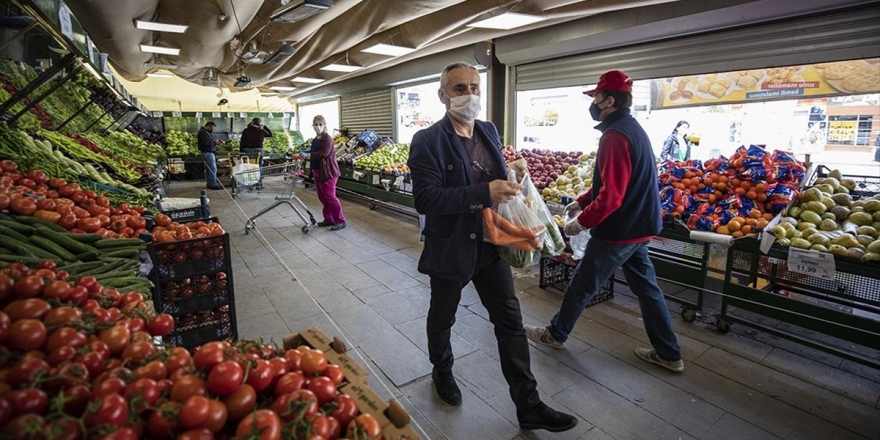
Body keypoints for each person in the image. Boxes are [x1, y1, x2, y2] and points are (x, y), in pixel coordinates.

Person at [407, 61, 577, 433]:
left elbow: (494, 176)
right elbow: (426, 199)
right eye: (459, 89)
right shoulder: (428, 140)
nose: (470, 95)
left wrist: (510, 175)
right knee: (443, 317)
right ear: (442, 95)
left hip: (491, 244)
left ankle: (528, 405)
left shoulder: (488, 130)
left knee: (511, 323)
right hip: (451, 247)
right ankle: (443, 370)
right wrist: (483, 192)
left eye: (474, 87)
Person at [524, 70, 684, 374]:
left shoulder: (615, 136)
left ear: (610, 100)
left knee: (583, 284)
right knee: (647, 289)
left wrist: (580, 223)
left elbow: (612, 196)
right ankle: (669, 353)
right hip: (640, 225)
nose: (594, 103)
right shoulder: (632, 128)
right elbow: (613, 181)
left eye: (597, 97)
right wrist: (583, 200)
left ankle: (555, 334)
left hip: (619, 229)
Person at [300, 115, 346, 230]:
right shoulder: (316, 139)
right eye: (315, 124)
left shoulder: (327, 138)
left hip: (327, 172)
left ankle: (340, 220)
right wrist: (305, 152)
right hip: (317, 171)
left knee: (330, 197)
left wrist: (309, 155)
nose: (318, 126)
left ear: (325, 125)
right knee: (322, 197)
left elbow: (324, 153)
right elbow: (314, 151)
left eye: (320, 124)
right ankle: (328, 219)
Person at [198, 121, 221, 190]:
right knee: (213, 169)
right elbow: (206, 142)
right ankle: (213, 185)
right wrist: (215, 143)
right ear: (209, 126)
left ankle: (210, 184)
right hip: (208, 152)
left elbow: (208, 141)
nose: (212, 129)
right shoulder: (203, 132)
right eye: (212, 128)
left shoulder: (204, 132)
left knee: (209, 169)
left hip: (207, 152)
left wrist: (215, 142)